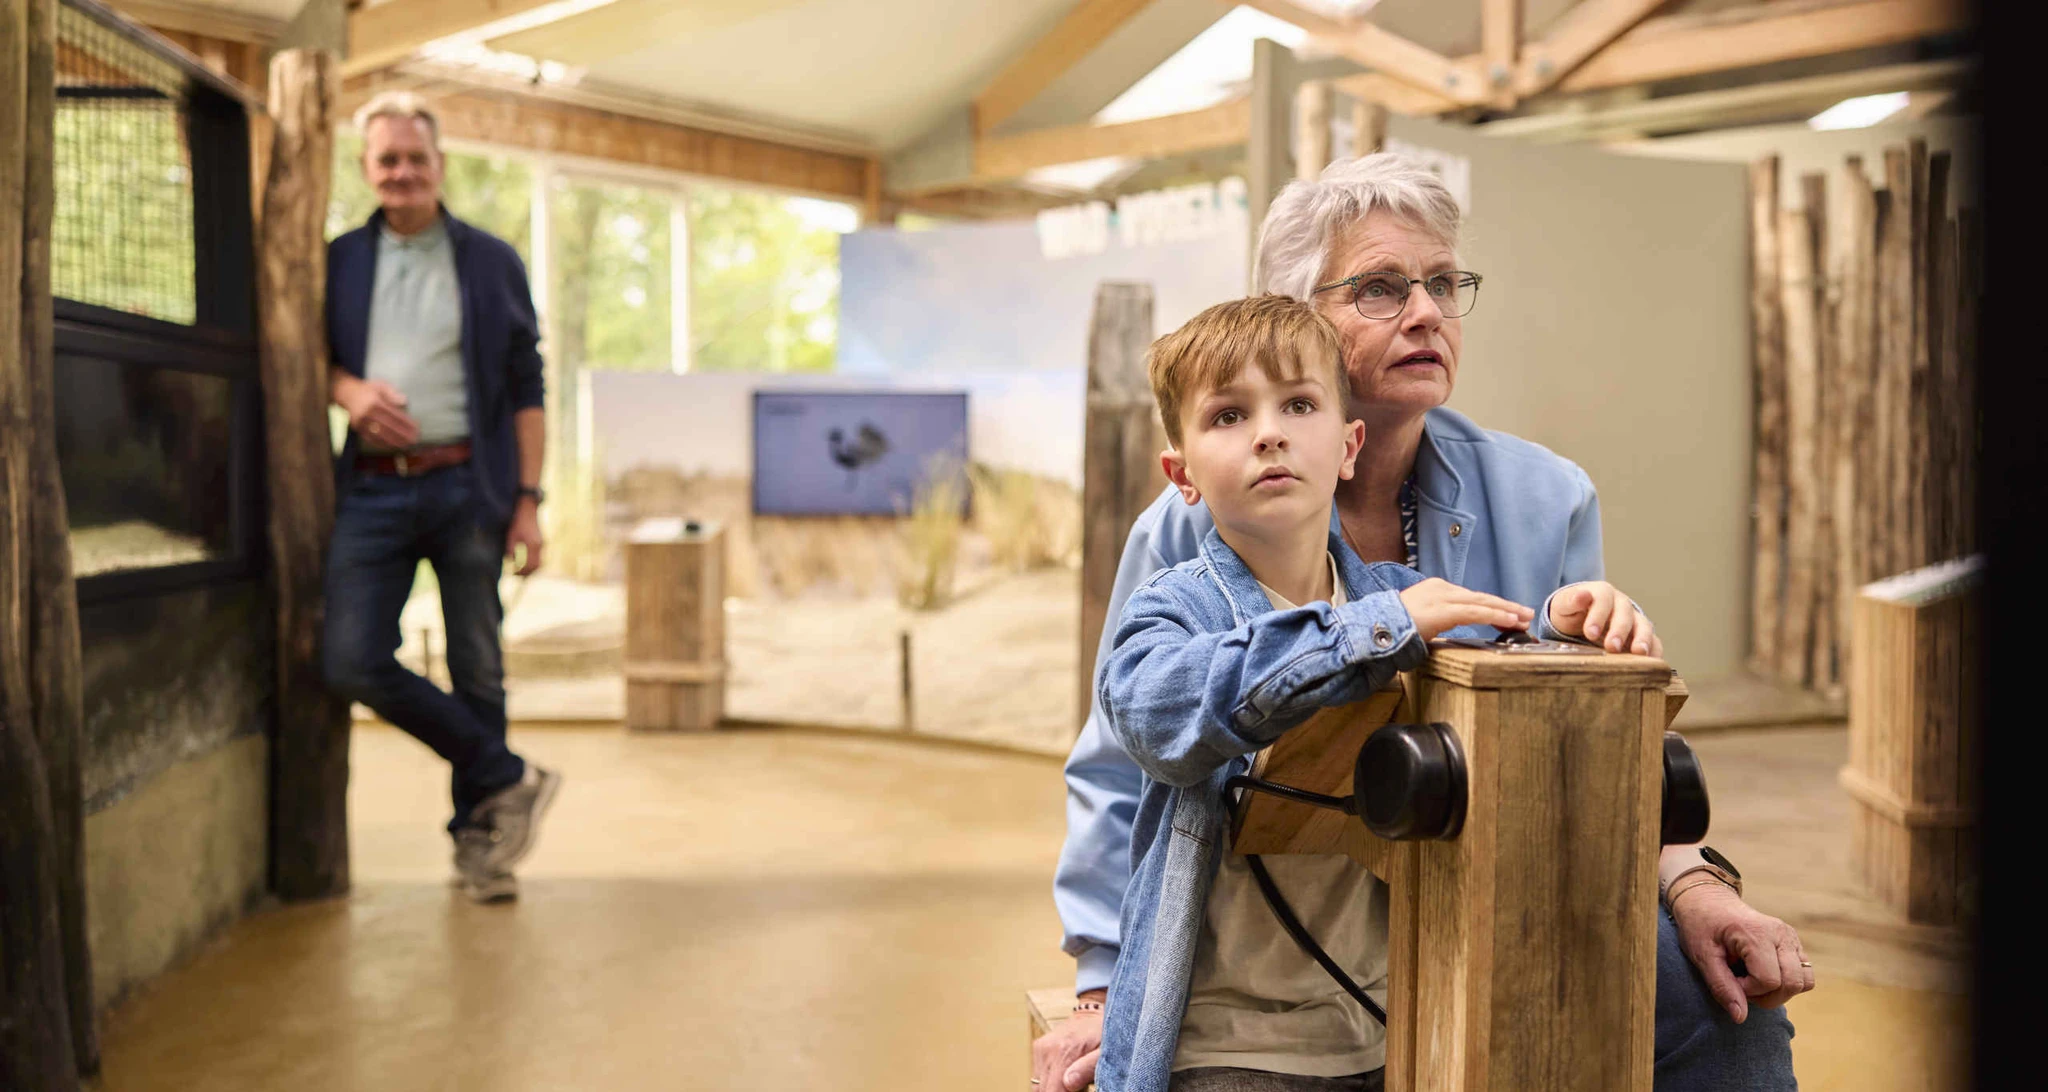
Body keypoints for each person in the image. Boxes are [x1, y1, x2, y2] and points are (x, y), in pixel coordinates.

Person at [1035, 154, 1810, 1092]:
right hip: (1277, 935)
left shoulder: (1547, 495)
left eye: (1444, 283)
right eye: (1382, 288)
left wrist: (1690, 881)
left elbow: (1599, 752)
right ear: (1296, 314)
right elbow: (1126, 755)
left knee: (1728, 1020)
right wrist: (1103, 984)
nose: (1428, 312)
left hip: (1514, 886)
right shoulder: (1188, 533)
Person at [1098, 294, 1551, 1091]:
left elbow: (1504, 664)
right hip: (1222, 1043)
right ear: (1183, 476)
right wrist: (1360, 637)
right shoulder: (1174, 610)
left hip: (1383, 1028)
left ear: (1348, 448)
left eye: (1298, 404)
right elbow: (1157, 712)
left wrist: (1568, 623)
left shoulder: (1403, 597)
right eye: (1229, 415)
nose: (1268, 432)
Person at [321, 92, 562, 904]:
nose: (402, 172)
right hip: (372, 491)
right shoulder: (338, 262)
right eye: (386, 160)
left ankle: (480, 848)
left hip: (471, 486)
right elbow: (307, 361)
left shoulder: (492, 261)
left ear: (439, 165)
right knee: (351, 658)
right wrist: (345, 389)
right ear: (367, 169)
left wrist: (528, 500)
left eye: (415, 158)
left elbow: (528, 386)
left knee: (479, 670)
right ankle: (507, 775)